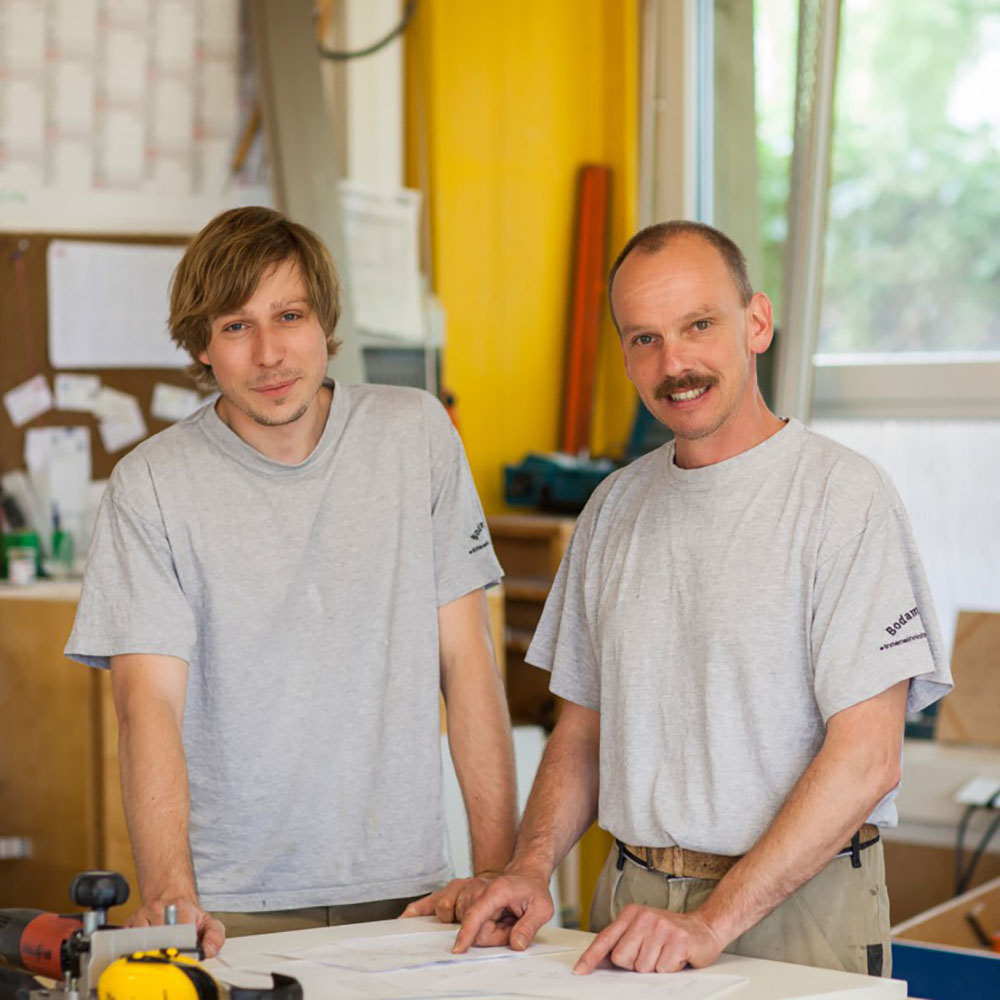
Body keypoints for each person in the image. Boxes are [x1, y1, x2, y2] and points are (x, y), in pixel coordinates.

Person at [453, 220, 952, 977]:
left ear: (757, 323)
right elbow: (583, 732)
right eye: (645, 338)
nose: (674, 363)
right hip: (633, 901)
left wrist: (712, 921)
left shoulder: (843, 498)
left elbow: (868, 757)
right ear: (625, 355)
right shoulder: (613, 509)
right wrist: (528, 867)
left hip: (803, 912)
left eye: (698, 326)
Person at [65, 206, 517, 957]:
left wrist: (498, 872)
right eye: (236, 326)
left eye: (290, 315)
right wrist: (172, 893)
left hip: (411, 894)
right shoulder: (152, 484)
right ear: (202, 344)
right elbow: (147, 704)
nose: (270, 354)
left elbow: (466, 661)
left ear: (324, 322)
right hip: (232, 906)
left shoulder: (416, 435)